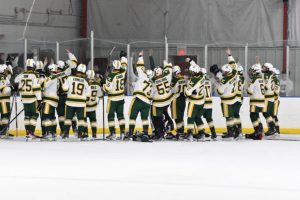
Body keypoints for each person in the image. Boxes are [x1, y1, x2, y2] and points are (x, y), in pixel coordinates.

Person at [126, 51, 153, 141]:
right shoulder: (152, 83)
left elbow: (139, 67)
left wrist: (140, 56)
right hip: (147, 102)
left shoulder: (142, 76)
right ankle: (145, 132)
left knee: (132, 117)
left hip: (138, 99)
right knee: (145, 118)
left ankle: (130, 132)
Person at [15, 59, 42, 139]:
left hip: (24, 98)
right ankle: (31, 132)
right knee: (35, 115)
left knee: (27, 116)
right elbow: (36, 88)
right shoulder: (35, 75)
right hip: (33, 99)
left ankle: (27, 132)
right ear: (33, 66)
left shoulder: (21, 74)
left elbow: (16, 82)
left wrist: (16, 87)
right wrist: (39, 99)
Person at [62, 64, 90, 139]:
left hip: (70, 102)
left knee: (68, 118)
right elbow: (88, 94)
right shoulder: (85, 81)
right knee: (81, 119)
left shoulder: (70, 78)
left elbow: (64, 88)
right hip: (81, 103)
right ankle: (80, 134)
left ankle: (66, 134)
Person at [103, 54, 127, 140]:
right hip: (121, 98)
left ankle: (112, 133)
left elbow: (107, 89)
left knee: (110, 116)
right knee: (120, 116)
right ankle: (123, 132)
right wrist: (123, 57)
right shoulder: (123, 72)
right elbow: (125, 65)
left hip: (112, 99)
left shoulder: (111, 75)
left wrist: (104, 85)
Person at [151, 61, 173, 140]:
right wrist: (167, 65)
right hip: (167, 101)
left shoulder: (154, 83)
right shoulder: (167, 78)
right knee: (163, 115)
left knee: (156, 118)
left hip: (158, 103)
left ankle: (159, 133)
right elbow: (169, 70)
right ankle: (167, 126)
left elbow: (151, 94)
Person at [185, 61, 206, 141]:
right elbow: (198, 68)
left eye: (191, 72)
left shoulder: (193, 80)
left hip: (194, 102)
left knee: (190, 118)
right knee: (198, 118)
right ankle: (202, 134)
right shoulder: (202, 76)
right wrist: (191, 62)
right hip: (201, 101)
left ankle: (190, 134)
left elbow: (188, 92)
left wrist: (187, 91)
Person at [246, 63, 265, 140]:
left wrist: (248, 88)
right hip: (261, 101)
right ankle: (260, 128)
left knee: (253, 115)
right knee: (256, 115)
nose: (251, 72)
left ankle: (257, 131)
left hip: (255, 101)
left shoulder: (254, 80)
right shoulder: (261, 79)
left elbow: (250, 92)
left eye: (252, 71)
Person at [41, 64, 59, 140]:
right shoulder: (57, 77)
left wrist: (42, 79)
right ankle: (54, 133)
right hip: (54, 100)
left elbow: (44, 85)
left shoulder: (51, 77)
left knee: (46, 116)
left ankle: (48, 133)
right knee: (52, 117)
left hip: (49, 99)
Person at [169, 65, 187, 140]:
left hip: (176, 99)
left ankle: (180, 133)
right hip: (183, 99)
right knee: (181, 116)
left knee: (177, 117)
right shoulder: (184, 78)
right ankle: (182, 131)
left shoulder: (174, 79)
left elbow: (171, 89)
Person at [86, 69, 103, 139]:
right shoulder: (97, 85)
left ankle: (85, 134)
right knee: (93, 120)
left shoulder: (85, 83)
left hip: (85, 106)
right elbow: (100, 96)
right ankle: (94, 134)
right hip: (93, 106)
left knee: (83, 120)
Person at [262, 63, 278, 137]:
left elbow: (266, 86)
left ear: (268, 69)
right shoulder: (271, 75)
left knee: (265, 112)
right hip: (270, 97)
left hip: (267, 97)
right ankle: (272, 128)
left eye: (265, 67)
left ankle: (272, 127)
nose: (263, 68)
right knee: (268, 113)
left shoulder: (266, 75)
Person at [202, 73, 217, 140]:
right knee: (209, 119)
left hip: (203, 102)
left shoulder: (200, 81)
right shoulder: (209, 81)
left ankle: (201, 131)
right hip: (209, 102)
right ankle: (213, 132)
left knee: (197, 117)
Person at [0, 64, 13, 136]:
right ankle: (3, 131)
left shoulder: (4, 77)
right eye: (5, 70)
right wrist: (12, 88)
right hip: (3, 100)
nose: (7, 72)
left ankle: (3, 131)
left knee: (4, 116)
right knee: (5, 116)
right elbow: (3, 89)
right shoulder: (2, 77)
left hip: (3, 99)